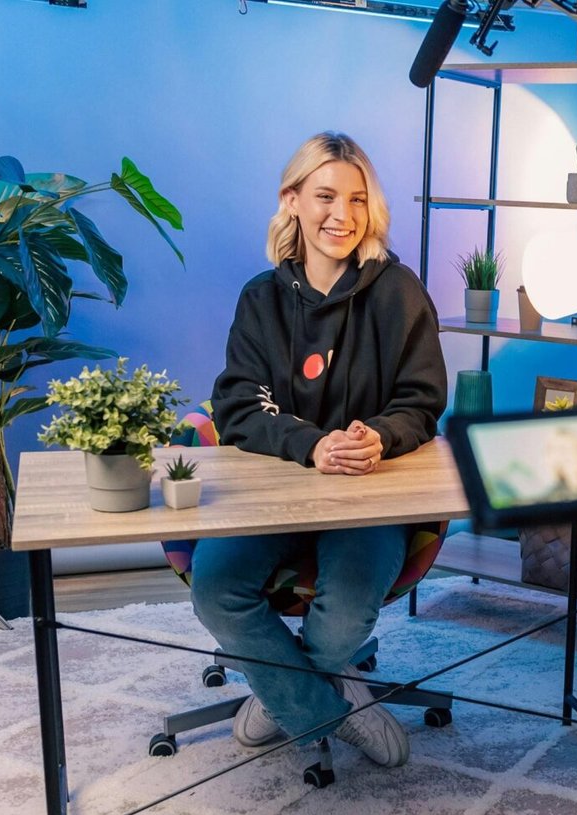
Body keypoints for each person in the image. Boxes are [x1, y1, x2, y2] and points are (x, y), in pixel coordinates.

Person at [192, 132, 447, 768]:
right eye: (326, 196)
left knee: (343, 616)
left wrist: (378, 436)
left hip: (368, 494)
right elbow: (239, 408)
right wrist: (313, 447)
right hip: (272, 493)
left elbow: (421, 403)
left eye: (357, 200)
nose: (343, 215)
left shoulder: (399, 293)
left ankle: (280, 688)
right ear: (293, 200)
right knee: (215, 588)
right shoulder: (261, 299)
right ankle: (324, 706)